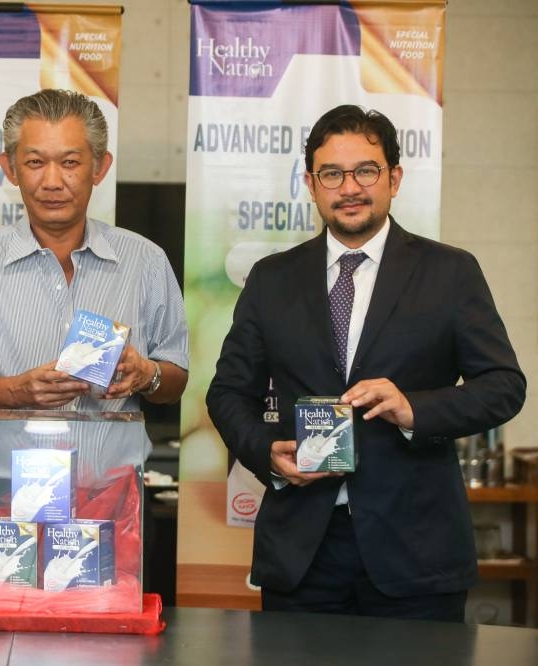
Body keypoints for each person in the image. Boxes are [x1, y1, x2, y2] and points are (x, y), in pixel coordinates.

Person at [206, 104, 526, 622]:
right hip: (302, 554)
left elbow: (504, 386)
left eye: (366, 170)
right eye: (332, 173)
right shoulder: (272, 280)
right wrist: (266, 452)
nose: (349, 187)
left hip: (416, 552)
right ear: (311, 184)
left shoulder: (450, 272)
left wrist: (413, 409)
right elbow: (226, 393)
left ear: (394, 178)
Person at [0, 89, 189, 589]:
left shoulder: (145, 262)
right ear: (10, 167)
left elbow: (175, 378)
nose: (52, 181)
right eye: (35, 162)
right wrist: (12, 392)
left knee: (104, 649)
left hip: (112, 501)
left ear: (100, 166)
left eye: (69, 162)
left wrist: (145, 373)